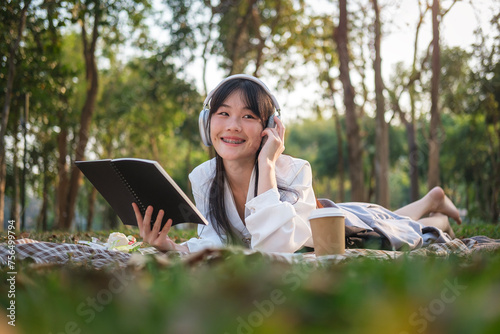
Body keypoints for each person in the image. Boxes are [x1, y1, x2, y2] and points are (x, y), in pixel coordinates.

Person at [132, 74, 462, 253]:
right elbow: (216, 240)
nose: (233, 125)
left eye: (248, 116)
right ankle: (431, 201)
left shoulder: (294, 170)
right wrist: (169, 248)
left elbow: (276, 247)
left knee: (392, 227)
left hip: (332, 225)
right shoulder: (202, 177)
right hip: (321, 214)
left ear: (270, 128)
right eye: (223, 114)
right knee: (384, 215)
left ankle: (437, 216)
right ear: (207, 124)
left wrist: (268, 164)